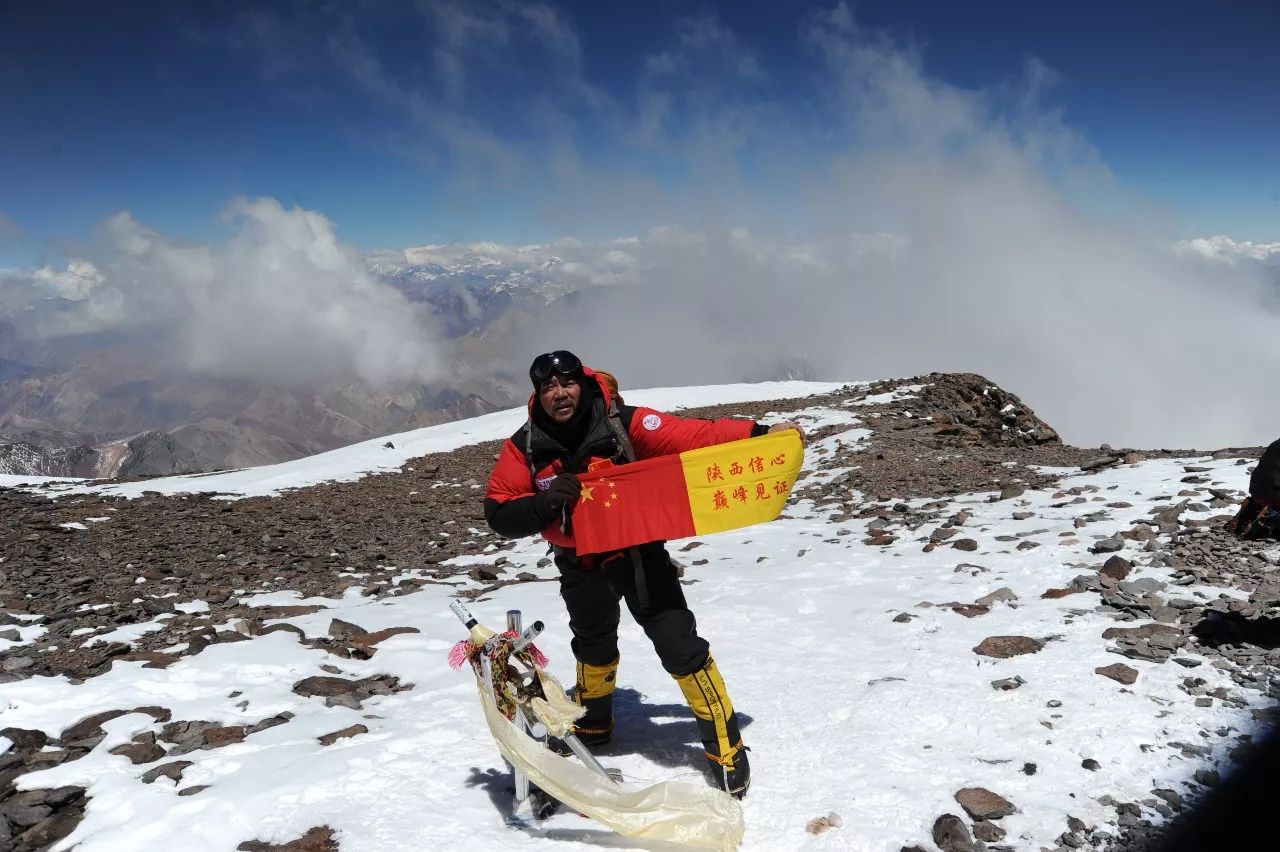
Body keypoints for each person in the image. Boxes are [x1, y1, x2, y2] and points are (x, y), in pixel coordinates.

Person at [483, 350, 802, 799]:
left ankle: (725, 746)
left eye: (567, 383)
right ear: (538, 393)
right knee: (592, 642)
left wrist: (760, 433)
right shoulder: (527, 444)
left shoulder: (621, 422)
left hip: (637, 553)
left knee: (680, 645)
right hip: (579, 560)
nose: (559, 394)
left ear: (584, 383)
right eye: (549, 387)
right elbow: (497, 511)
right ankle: (595, 723)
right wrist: (545, 504)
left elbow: (692, 436)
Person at [1229, 438, 1280, 540]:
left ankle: (1247, 514)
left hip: (1257, 491)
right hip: (1274, 493)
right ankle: (1266, 521)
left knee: (1264, 499)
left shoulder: (1276, 444)